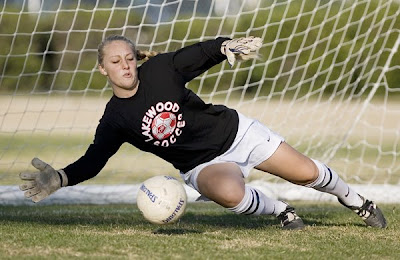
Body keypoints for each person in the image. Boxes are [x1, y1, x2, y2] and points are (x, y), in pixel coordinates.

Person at [19, 35, 387, 229]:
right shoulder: (116, 118)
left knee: (308, 173)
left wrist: (225, 46)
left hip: (236, 133)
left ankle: (355, 200)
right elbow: (95, 159)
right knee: (231, 195)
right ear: (103, 69)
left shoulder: (161, 70)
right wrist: (63, 177)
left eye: (129, 58)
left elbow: (198, 54)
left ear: (137, 58)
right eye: (115, 61)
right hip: (202, 164)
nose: (125, 65)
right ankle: (282, 211)